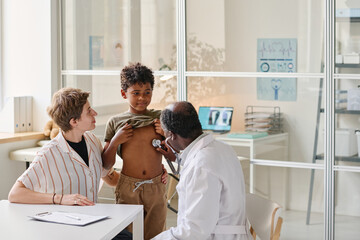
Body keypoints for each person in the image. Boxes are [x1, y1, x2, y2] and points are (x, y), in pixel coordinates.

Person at [8, 88, 131, 240]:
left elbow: (110, 178)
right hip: (63, 230)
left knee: (127, 236)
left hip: (92, 223)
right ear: (74, 121)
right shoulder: (48, 153)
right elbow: (14, 194)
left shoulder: (92, 141)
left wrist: (148, 178)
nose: (95, 113)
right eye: (88, 111)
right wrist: (60, 199)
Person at [152, 101, 252, 240]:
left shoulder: (200, 166)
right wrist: (177, 158)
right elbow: (205, 165)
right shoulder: (223, 148)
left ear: (171, 135)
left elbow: (193, 231)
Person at [102, 62, 168, 240]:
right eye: (136, 93)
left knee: (157, 235)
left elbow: (173, 152)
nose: (142, 98)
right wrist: (116, 141)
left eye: (147, 92)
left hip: (156, 186)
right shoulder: (116, 122)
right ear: (124, 94)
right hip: (128, 188)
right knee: (128, 235)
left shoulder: (160, 117)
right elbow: (105, 163)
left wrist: (165, 134)